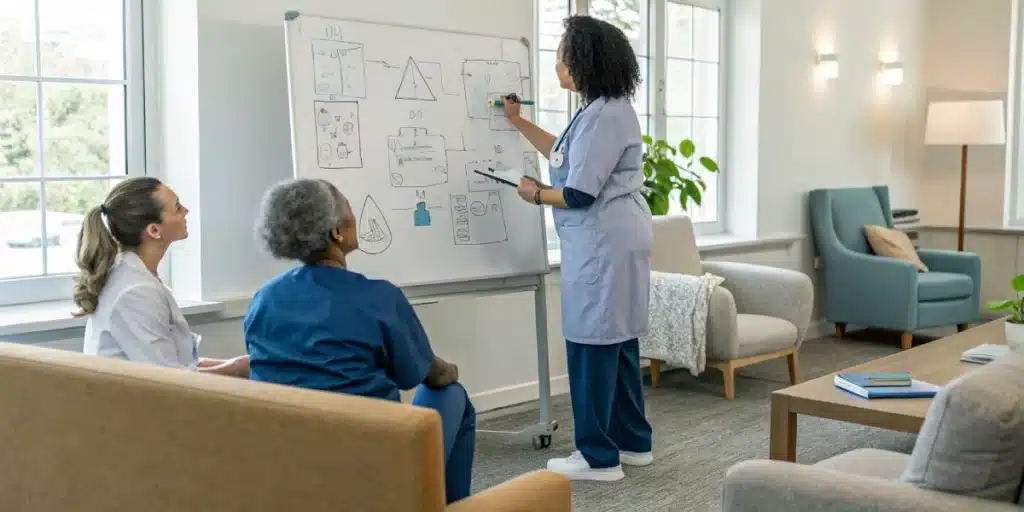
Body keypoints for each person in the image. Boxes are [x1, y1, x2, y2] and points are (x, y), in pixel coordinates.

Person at [244, 178, 475, 504]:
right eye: (350, 209)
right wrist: (451, 369)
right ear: (337, 231)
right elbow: (426, 376)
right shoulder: (378, 297)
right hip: (371, 461)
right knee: (451, 393)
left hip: (285, 463)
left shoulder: (264, 298)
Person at [502, 14, 654, 482]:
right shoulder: (602, 110)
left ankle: (597, 458)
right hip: (612, 240)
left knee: (591, 344)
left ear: (584, 61)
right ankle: (633, 442)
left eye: (561, 58)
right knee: (620, 342)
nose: (556, 66)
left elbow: (579, 192)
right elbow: (564, 155)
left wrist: (534, 194)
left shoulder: (606, 114)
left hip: (602, 243)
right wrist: (518, 121)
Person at [76, 177, 250, 377]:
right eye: (177, 208)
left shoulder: (133, 275)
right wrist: (238, 369)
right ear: (154, 230)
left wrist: (235, 364)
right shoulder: (136, 292)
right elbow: (171, 379)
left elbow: (176, 362)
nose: (186, 211)